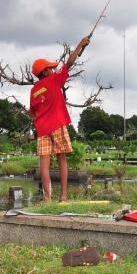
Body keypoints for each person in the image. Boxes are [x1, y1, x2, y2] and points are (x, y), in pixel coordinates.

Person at [29, 36, 90, 203]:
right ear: (44, 72)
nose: (53, 70)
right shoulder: (54, 81)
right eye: (50, 68)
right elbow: (69, 63)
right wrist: (80, 45)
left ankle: (47, 197)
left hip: (42, 129)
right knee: (61, 159)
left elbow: (33, 111)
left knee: (44, 162)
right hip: (57, 125)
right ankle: (63, 196)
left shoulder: (34, 90)